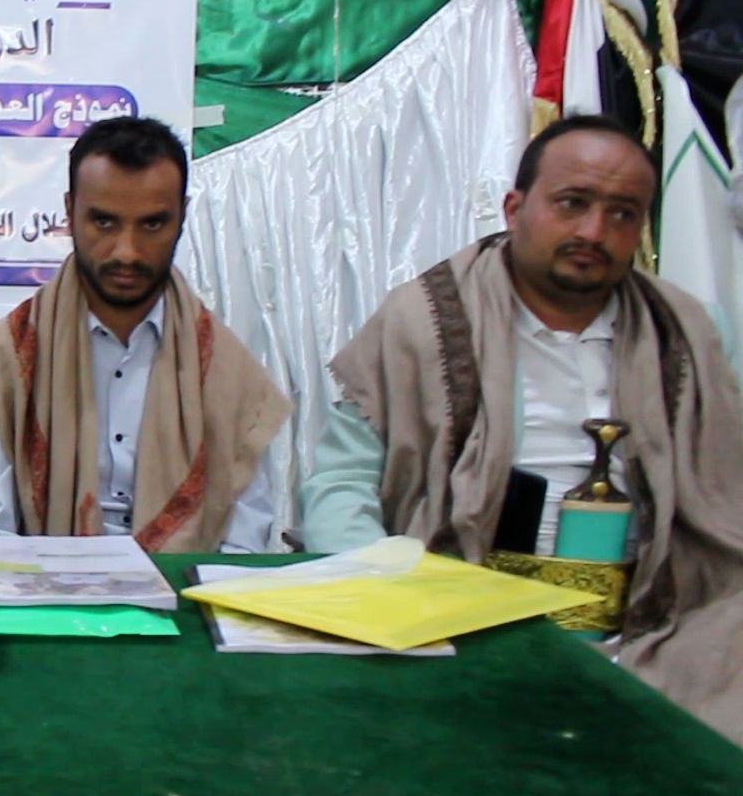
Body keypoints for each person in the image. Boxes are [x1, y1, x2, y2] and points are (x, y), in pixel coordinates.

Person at [302, 115, 743, 742]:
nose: (593, 231)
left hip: (661, 624)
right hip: (457, 614)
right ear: (515, 208)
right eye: (573, 203)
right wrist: (388, 595)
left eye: (622, 214)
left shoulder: (696, 333)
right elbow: (340, 485)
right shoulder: (422, 322)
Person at [0, 117, 288, 550]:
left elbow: (241, 552)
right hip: (41, 589)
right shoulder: (1, 363)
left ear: (182, 217)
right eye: (104, 223)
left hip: (186, 586)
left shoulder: (230, 374)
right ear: (69, 211)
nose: (127, 251)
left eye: (152, 225)